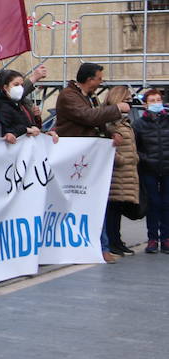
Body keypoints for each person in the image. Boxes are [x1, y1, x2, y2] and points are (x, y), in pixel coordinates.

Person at [54, 63, 129, 264]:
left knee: (95, 201)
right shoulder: (68, 96)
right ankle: (89, 246)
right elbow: (87, 117)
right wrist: (116, 109)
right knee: (76, 201)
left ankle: (100, 246)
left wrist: (110, 133)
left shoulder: (89, 97)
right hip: (73, 158)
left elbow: (96, 121)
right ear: (89, 79)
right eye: (99, 78)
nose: (101, 81)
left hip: (88, 158)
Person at [102, 84, 139, 259]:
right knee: (113, 209)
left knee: (119, 207)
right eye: (126, 100)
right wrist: (123, 160)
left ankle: (117, 240)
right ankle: (113, 241)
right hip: (117, 171)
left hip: (127, 172)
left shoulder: (124, 122)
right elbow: (106, 146)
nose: (129, 104)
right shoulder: (110, 122)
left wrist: (134, 158)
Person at [134, 86, 169, 253]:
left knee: (167, 204)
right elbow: (136, 147)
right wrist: (145, 159)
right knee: (153, 204)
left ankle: (166, 238)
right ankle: (153, 239)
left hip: (167, 168)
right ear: (145, 105)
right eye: (152, 101)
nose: (156, 103)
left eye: (158, 100)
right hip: (149, 169)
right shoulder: (139, 124)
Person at [0, 69, 46, 144]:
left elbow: (28, 124)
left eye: (22, 85)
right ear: (5, 87)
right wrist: (26, 129)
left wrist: (36, 123)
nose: (20, 88)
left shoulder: (20, 103)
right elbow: (7, 129)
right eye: (16, 85)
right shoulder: (0, 105)